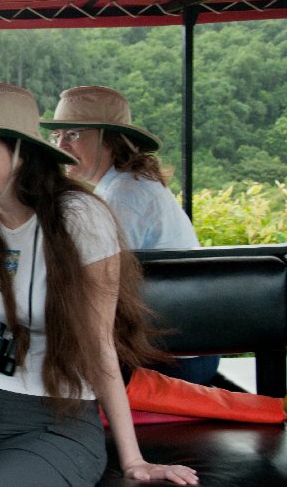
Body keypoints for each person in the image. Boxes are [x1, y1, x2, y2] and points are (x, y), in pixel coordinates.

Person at [0, 83, 199, 486]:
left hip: (54, 415)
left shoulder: (79, 218)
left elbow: (100, 344)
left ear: (21, 151)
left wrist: (134, 460)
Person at [39, 85, 215, 385]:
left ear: (110, 139)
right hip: (180, 348)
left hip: (171, 361)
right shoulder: (124, 186)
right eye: (57, 136)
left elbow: (95, 282)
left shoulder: (125, 194)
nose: (61, 146)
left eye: (74, 135)